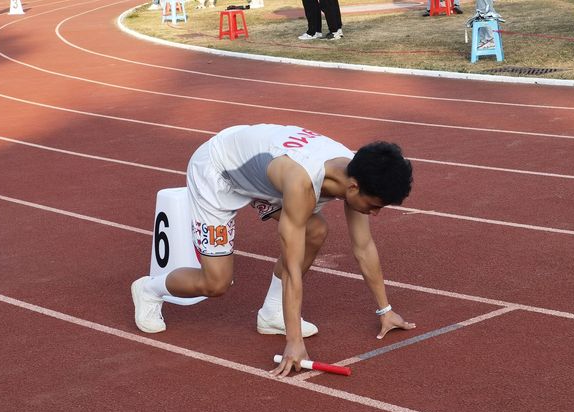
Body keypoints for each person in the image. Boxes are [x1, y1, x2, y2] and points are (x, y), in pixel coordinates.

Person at [131, 124, 415, 377]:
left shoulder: (356, 171)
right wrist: (294, 342)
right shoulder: (302, 182)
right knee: (216, 283)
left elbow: (363, 246)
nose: (375, 213)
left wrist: (386, 310)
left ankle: (272, 313)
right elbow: (292, 267)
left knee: (315, 230)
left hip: (261, 173)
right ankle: (149, 289)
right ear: (353, 187)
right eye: (374, 206)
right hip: (219, 171)